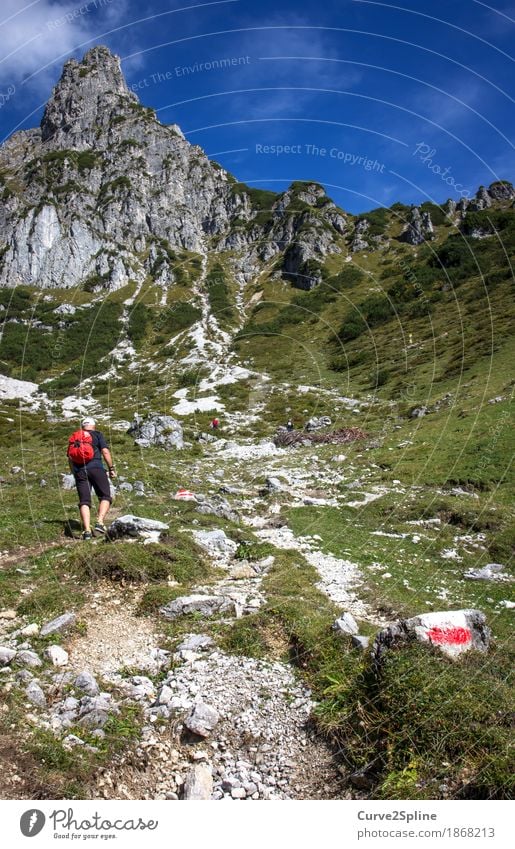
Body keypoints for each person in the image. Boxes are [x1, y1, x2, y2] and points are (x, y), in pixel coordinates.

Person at [67, 417, 116, 540]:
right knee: (105, 495)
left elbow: (70, 458)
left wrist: (75, 473)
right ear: (94, 426)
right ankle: (99, 522)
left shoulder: (75, 436)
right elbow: (105, 452)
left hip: (80, 472)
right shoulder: (97, 434)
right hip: (96, 468)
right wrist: (111, 468)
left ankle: (87, 531)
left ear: (82, 426)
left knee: (84, 501)